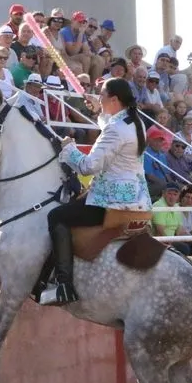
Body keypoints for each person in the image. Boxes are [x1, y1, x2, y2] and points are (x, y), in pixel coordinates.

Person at [40, 77, 150, 305]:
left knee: (56, 216)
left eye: (102, 95)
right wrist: (99, 110)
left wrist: (69, 149)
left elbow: (88, 166)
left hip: (111, 202)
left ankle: (64, 284)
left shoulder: (116, 129)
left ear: (114, 99)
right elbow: (112, 129)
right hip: (137, 198)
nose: (99, 98)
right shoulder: (135, 121)